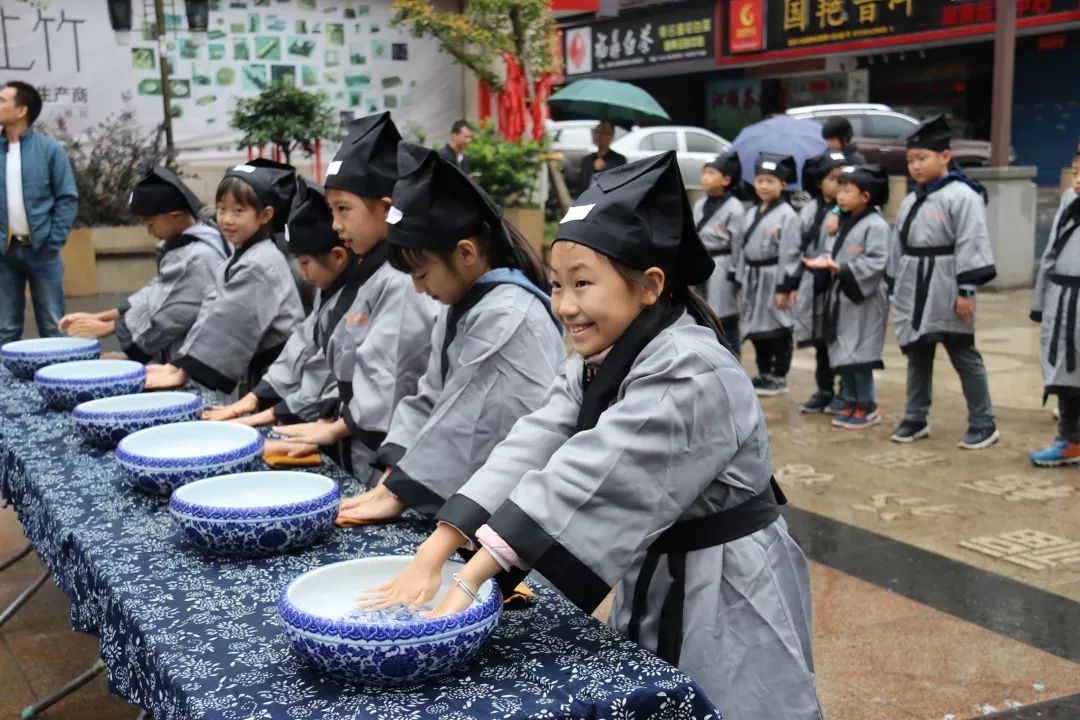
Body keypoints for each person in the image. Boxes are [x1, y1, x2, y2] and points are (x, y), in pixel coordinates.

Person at [361, 151, 822, 719]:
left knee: (735, 700)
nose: (565, 306)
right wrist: (437, 550)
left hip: (726, 583)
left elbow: (590, 473)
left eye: (583, 284)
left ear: (650, 285)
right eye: (557, 285)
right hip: (658, 570)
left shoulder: (690, 368)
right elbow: (537, 437)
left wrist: (470, 581)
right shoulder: (601, 355)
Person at [333, 141, 565, 524]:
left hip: (513, 502)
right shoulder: (464, 300)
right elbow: (432, 395)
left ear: (466, 253)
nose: (420, 289)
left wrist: (402, 490)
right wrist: (393, 477)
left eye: (422, 274)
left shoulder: (509, 312)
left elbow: (467, 419)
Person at [252, 112, 437, 483]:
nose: (336, 225)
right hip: (353, 433)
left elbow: (389, 378)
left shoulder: (399, 280)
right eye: (333, 211)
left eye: (343, 210)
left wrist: (333, 427)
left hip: (384, 447)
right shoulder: (368, 273)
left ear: (386, 208)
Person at [144, 161, 304, 395]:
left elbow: (228, 322)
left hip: (284, 374)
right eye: (221, 209)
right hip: (266, 370)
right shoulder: (241, 255)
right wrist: (178, 364)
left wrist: (182, 371)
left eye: (238, 211)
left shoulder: (260, 263)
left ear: (265, 215)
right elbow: (211, 312)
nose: (227, 219)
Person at [888, 115, 998, 449]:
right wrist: (895, 284)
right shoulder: (911, 199)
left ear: (945, 157)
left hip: (947, 282)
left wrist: (966, 290)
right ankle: (915, 416)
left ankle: (984, 421)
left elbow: (972, 241)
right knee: (917, 353)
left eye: (922, 159)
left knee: (962, 351)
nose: (915, 166)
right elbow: (898, 244)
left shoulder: (963, 196)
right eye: (910, 160)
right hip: (914, 283)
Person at [58, 166, 228, 363]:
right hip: (178, 357)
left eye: (150, 224)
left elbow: (171, 313)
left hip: (198, 363)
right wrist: (100, 317)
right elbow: (156, 292)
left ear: (176, 216)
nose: (149, 231)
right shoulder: (191, 239)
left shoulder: (200, 255)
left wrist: (109, 328)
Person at [804, 165, 890, 429]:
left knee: (860, 352)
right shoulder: (844, 219)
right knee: (844, 349)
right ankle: (850, 401)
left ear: (865, 196)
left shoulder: (876, 225)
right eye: (839, 190)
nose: (840, 196)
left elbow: (877, 261)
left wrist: (840, 268)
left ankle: (868, 405)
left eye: (847, 191)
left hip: (864, 296)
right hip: (843, 294)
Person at [0, 81, 78, 344]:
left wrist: (53, 241)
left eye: (2, 101)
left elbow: (67, 197)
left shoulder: (49, 150)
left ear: (21, 111)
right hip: (4, 253)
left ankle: (59, 379)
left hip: (42, 250)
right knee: (6, 327)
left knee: (53, 324)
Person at [1029, 151, 1080, 466]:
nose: (1078, 181)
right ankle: (1070, 440)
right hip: (1063, 298)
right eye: (1076, 172)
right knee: (1065, 370)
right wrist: (1040, 302)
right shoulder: (1067, 200)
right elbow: (1050, 252)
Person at [738, 152, 801, 396]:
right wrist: (741, 278)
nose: (763, 186)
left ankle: (779, 375)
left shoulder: (787, 215)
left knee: (779, 327)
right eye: (760, 180)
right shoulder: (752, 212)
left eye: (770, 181)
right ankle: (764, 372)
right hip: (753, 277)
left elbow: (791, 252)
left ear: (783, 185)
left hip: (774, 276)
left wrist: (784, 287)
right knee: (756, 328)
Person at [794, 151, 848, 413]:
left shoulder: (848, 209)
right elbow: (798, 247)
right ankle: (824, 389)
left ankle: (846, 392)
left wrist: (838, 211)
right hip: (812, 280)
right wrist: (790, 284)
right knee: (819, 339)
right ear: (819, 182)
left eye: (844, 179)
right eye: (834, 179)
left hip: (837, 280)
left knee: (840, 337)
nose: (840, 185)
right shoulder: (810, 209)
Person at [693, 150, 745, 353]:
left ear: (726, 179)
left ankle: (733, 357)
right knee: (699, 312)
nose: (705, 178)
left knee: (725, 317)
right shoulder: (699, 204)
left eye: (711, 173)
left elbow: (738, 243)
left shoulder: (735, 207)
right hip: (701, 262)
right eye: (704, 173)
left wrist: (736, 273)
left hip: (723, 264)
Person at [578, 120, 627, 195]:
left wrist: (605, 168)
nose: (599, 135)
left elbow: (619, 185)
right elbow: (582, 186)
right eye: (597, 131)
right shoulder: (587, 159)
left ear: (611, 135)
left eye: (604, 132)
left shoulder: (619, 160)